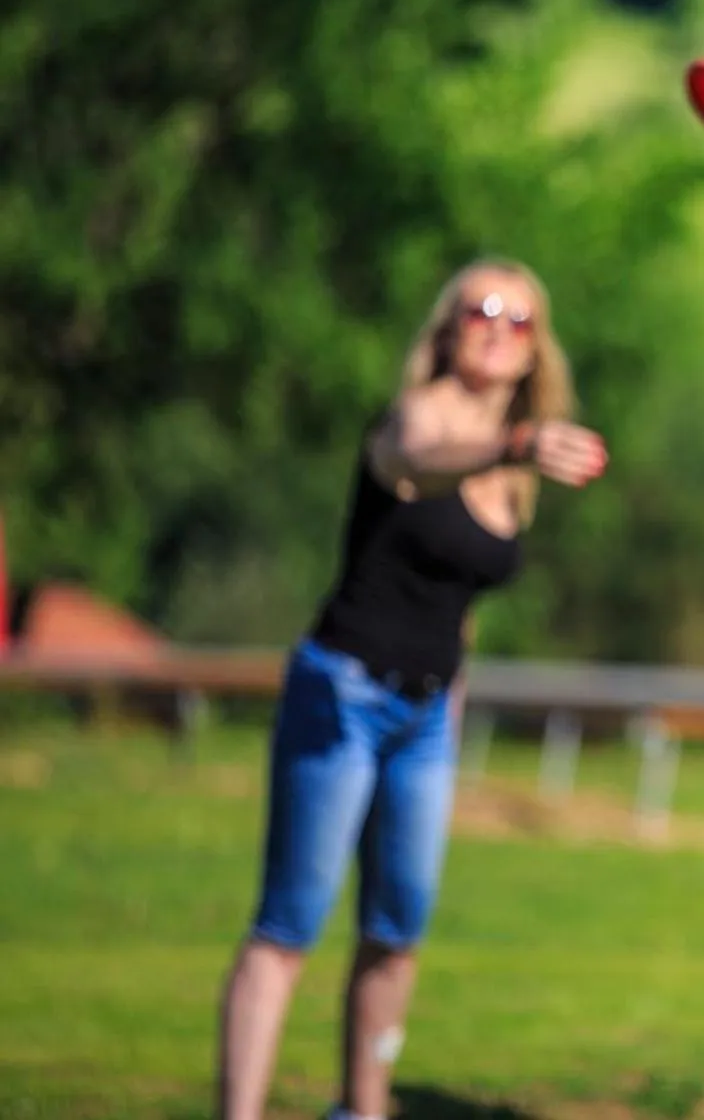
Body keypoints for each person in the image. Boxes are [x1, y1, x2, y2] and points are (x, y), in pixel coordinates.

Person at [216, 261, 607, 1120]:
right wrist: (512, 444)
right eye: (482, 310)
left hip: (426, 715)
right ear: (447, 325)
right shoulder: (418, 417)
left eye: (519, 318)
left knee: (397, 934)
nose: (499, 327)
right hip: (343, 692)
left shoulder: (518, 461)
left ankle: (362, 1110)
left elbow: (456, 601)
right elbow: (413, 466)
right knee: (290, 925)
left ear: (537, 346)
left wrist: (452, 699)